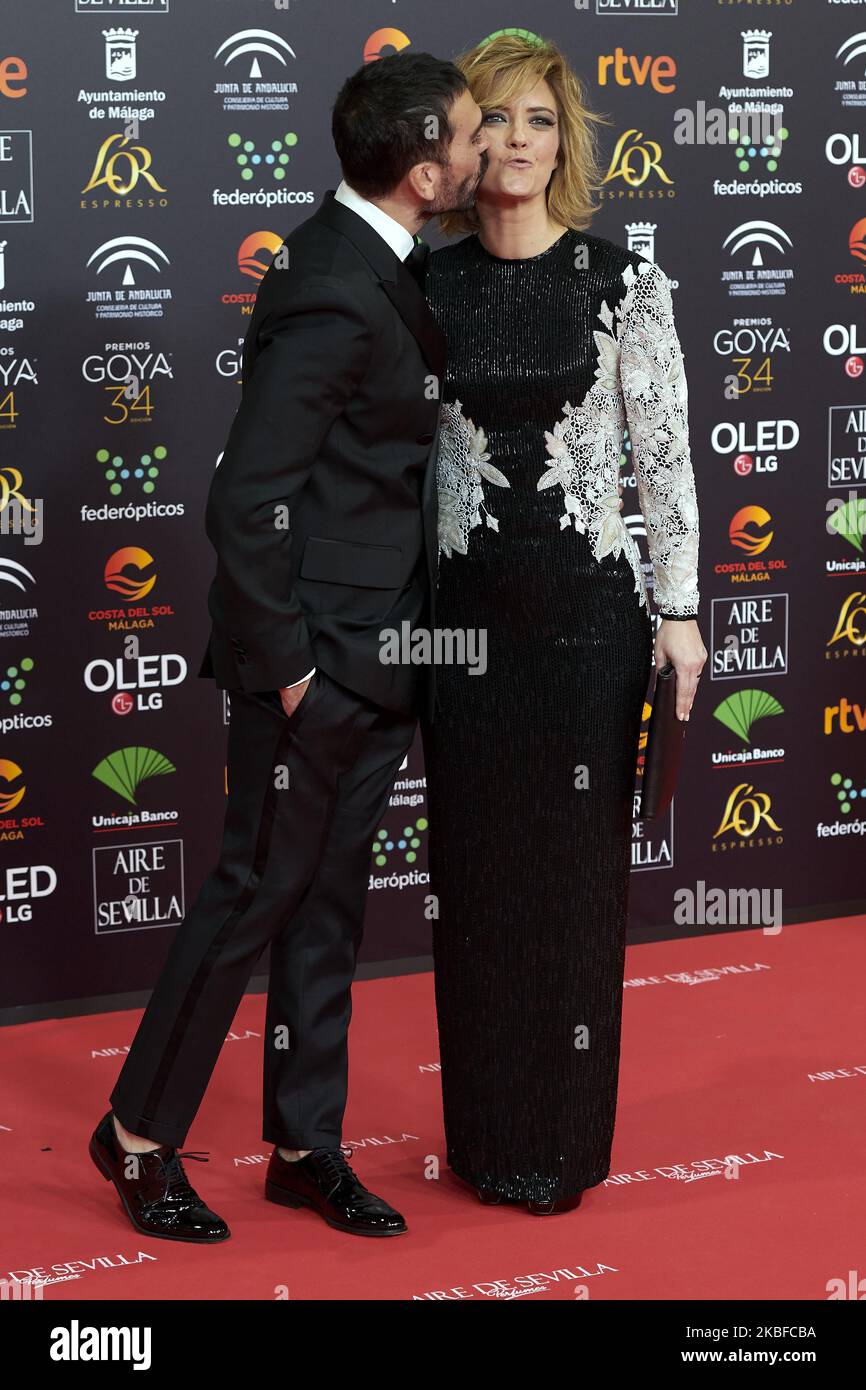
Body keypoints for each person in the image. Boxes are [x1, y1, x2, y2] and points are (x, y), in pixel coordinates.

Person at [89, 51, 489, 1242]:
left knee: (325, 906)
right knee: (250, 894)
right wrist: (290, 667)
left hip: (381, 655)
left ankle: (304, 1144)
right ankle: (137, 1133)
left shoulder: (382, 260)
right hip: (311, 664)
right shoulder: (327, 279)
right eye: (470, 136)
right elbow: (245, 497)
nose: (482, 152)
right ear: (424, 169)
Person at [420, 32, 707, 1214]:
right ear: (460, 139)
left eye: (538, 120)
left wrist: (679, 612)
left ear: (563, 141)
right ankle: (487, 1139)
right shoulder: (422, 284)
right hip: (460, 631)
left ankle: (561, 1146)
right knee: (478, 883)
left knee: (576, 890)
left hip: (588, 625)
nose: (517, 142)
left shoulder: (618, 281)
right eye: (495, 119)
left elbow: (666, 455)